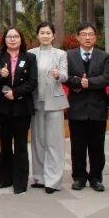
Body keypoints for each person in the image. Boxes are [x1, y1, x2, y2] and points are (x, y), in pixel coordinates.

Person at [65, 23, 109, 192]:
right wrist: (78, 82)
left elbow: (106, 78)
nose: (87, 37)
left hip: (97, 109)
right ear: (77, 37)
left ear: (95, 37)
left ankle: (96, 178)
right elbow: (65, 77)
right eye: (83, 34)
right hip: (77, 108)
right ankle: (79, 177)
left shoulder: (104, 56)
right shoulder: (69, 56)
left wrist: (89, 82)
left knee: (97, 147)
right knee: (77, 146)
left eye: (90, 34)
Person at [0, 28, 37, 193]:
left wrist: (15, 93)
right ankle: (5, 179)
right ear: (4, 39)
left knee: (21, 144)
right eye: (9, 36)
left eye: (16, 36)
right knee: (5, 144)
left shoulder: (30, 58)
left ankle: (20, 182)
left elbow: (32, 82)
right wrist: (1, 73)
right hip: (2, 107)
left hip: (21, 107)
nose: (12, 39)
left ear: (21, 39)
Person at [30, 22, 68, 194]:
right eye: (42, 33)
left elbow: (65, 75)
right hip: (36, 102)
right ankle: (39, 177)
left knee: (54, 143)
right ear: (37, 35)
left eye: (48, 33)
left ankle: (53, 181)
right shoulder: (31, 54)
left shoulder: (60, 54)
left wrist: (58, 75)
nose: (45, 36)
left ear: (53, 36)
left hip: (55, 103)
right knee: (38, 141)